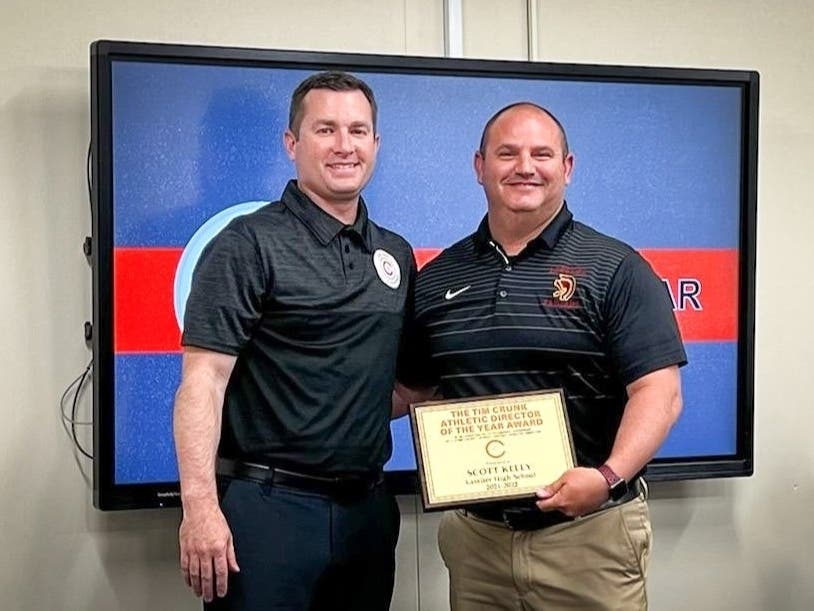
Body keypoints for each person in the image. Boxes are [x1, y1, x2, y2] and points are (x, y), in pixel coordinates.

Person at [396, 102, 686, 610]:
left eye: (541, 153)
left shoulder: (615, 268)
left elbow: (659, 392)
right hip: (477, 543)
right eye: (506, 153)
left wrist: (607, 476)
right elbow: (414, 391)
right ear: (479, 166)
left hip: (588, 537)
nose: (524, 166)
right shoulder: (439, 277)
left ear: (567, 168)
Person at [173, 71, 414, 610]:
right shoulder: (246, 245)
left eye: (358, 130)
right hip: (268, 514)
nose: (344, 146)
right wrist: (201, 509)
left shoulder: (395, 255)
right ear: (292, 144)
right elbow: (203, 384)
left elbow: (389, 389)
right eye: (325, 129)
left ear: (375, 144)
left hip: (369, 512)